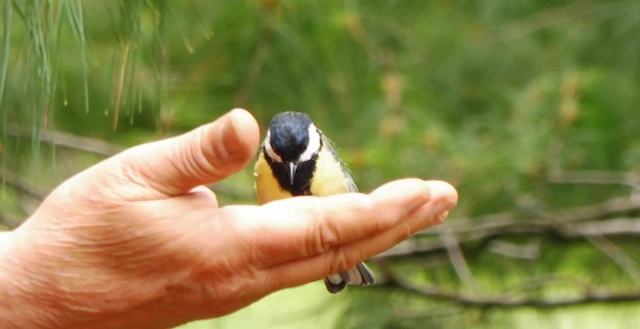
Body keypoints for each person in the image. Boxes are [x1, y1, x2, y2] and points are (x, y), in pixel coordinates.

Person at [0, 109, 457, 328]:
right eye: (280, 159)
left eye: (301, 159)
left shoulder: (325, 155)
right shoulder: (263, 164)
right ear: (269, 151)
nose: (291, 169)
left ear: (316, 144)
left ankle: (344, 270)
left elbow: (352, 200)